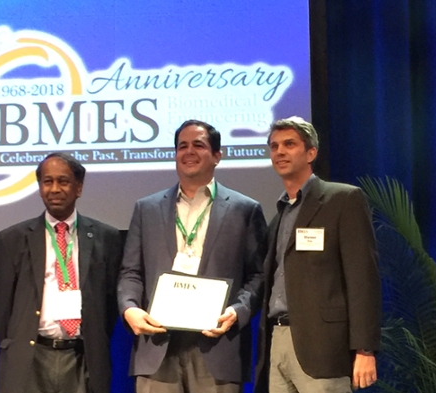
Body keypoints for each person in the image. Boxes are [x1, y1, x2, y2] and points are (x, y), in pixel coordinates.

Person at [117, 119, 267, 392]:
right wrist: (130, 308)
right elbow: (131, 271)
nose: (189, 152)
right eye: (182, 146)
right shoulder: (146, 209)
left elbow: (257, 275)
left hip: (217, 346)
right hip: (157, 345)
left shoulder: (245, 209)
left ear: (217, 156)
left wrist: (238, 311)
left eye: (198, 145)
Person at [254, 117, 381, 392]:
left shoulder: (342, 200)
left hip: (324, 347)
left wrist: (365, 349)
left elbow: (363, 279)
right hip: (278, 339)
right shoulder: (278, 216)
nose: (280, 152)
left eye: (289, 144)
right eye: (274, 146)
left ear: (311, 153)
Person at [0, 152, 123, 393]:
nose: (54, 189)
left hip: (83, 357)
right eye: (47, 182)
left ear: (78, 187)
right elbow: (2, 306)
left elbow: (110, 304)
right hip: (31, 357)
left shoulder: (107, 237)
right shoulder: (13, 239)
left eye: (63, 181)